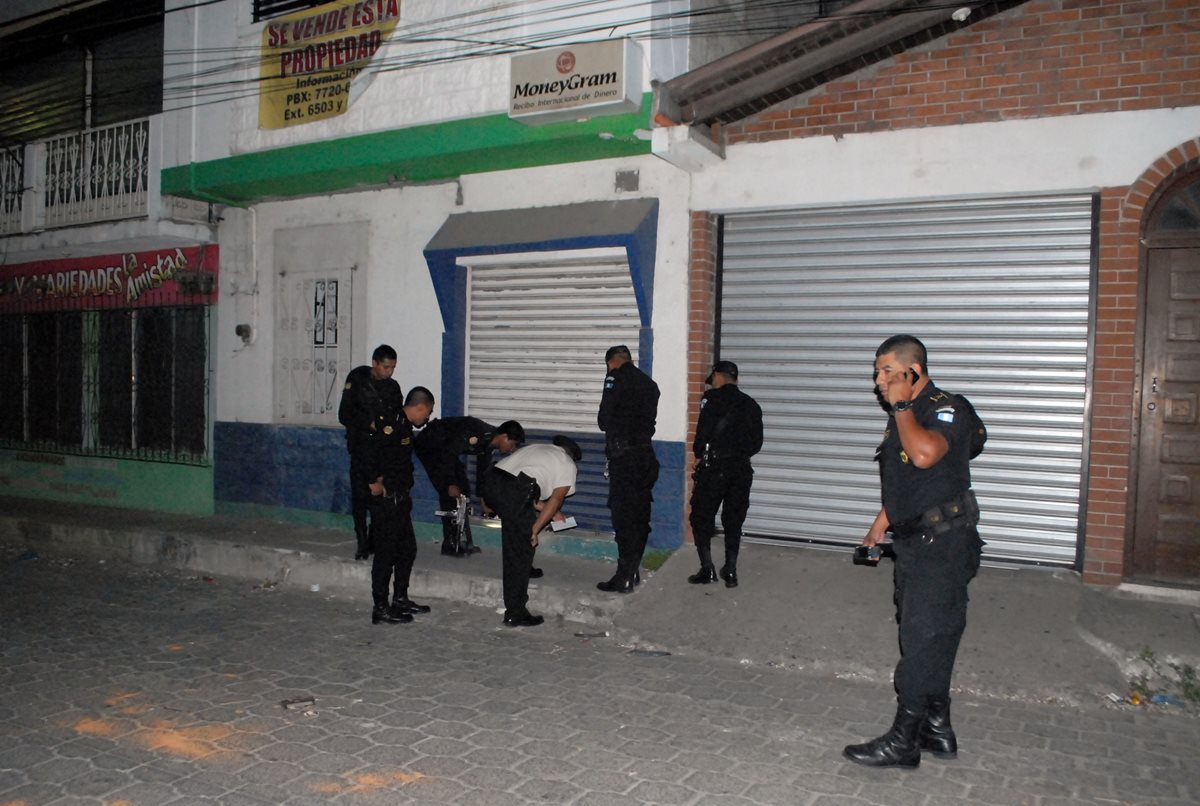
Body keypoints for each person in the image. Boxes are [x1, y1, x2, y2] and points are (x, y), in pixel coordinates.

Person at [843, 335, 987, 768]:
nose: (878, 380)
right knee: (930, 635)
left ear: (914, 372)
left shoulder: (946, 408)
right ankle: (937, 728)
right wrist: (877, 529)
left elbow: (925, 456)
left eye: (887, 371)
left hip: (942, 545)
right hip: (914, 542)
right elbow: (907, 484)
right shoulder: (902, 418)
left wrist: (903, 406)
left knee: (923, 640)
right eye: (876, 371)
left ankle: (904, 741)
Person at [482, 436, 582, 627]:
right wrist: (534, 530)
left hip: (491, 483)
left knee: (516, 542)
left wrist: (550, 514)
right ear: (571, 456)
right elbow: (556, 500)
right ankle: (515, 612)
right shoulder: (568, 464)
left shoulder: (537, 449)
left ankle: (526, 568)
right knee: (520, 551)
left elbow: (522, 491)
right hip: (514, 492)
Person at [686, 361, 763, 588]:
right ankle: (730, 570)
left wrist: (701, 453)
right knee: (734, 520)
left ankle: (707, 569)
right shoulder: (751, 404)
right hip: (741, 469)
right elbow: (756, 443)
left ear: (718, 377)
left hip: (715, 469)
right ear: (736, 379)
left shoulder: (710, 399)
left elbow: (701, 436)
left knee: (701, 517)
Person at [366, 386, 437, 625]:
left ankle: (400, 598)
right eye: (427, 413)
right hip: (387, 500)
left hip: (400, 497)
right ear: (419, 407)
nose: (426, 418)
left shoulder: (404, 426)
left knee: (407, 549)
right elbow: (369, 452)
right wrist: (373, 481)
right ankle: (381, 608)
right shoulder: (391, 424)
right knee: (386, 555)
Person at [596, 345, 660, 594]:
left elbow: (604, 420)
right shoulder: (649, 384)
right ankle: (632, 571)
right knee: (640, 516)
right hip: (645, 456)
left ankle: (623, 576)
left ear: (611, 362)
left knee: (623, 516)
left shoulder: (615, 376)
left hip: (624, 458)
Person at [415, 417, 525, 557]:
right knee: (450, 494)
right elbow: (447, 454)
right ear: (504, 436)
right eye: (513, 444)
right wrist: (450, 483)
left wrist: (483, 501)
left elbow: (482, 473)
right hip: (429, 444)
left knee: (464, 490)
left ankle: (462, 541)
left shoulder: (488, 444)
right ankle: (450, 545)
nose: (511, 450)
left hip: (445, 449)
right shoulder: (477, 434)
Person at [338, 344, 403, 561]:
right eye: (385, 367)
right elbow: (344, 414)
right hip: (361, 446)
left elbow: (396, 420)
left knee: (380, 497)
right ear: (375, 363)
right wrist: (368, 424)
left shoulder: (393, 388)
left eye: (393, 367)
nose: (389, 372)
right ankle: (362, 541)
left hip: (382, 450)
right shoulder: (357, 379)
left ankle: (375, 539)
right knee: (360, 497)